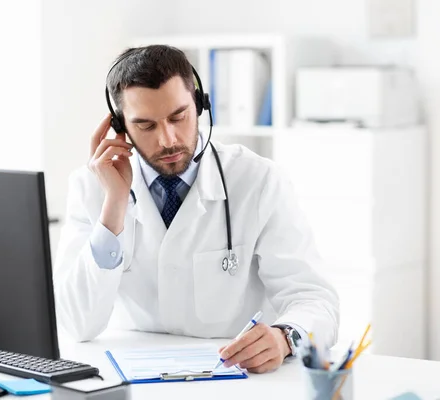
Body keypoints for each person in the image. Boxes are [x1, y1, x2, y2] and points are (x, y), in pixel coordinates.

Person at [53, 45, 339, 374]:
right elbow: (75, 323)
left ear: (201, 105)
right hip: (131, 377)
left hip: (233, 376)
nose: (168, 140)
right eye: (146, 126)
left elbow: (316, 299)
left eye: (179, 116)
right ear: (120, 127)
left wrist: (285, 336)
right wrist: (114, 208)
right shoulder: (90, 187)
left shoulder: (258, 180)